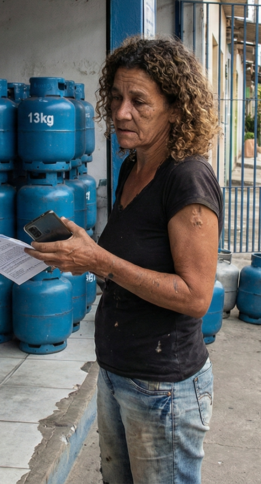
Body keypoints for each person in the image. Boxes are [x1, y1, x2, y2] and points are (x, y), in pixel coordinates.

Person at [27, 37, 221, 483]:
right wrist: (83, 256)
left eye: (139, 101)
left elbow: (195, 297)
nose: (120, 113)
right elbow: (126, 258)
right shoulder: (132, 167)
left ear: (175, 108)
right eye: (115, 98)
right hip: (117, 371)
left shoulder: (188, 178)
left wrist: (100, 260)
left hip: (164, 387)